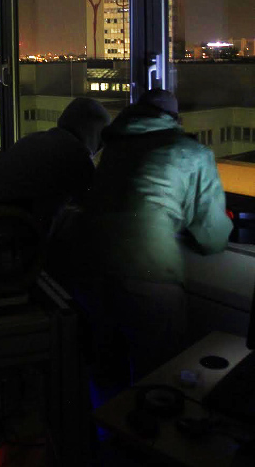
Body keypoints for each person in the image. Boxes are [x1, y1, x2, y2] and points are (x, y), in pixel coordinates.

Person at [69, 89, 233, 396]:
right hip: (146, 274)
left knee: (105, 377)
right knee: (158, 379)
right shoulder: (190, 152)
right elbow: (212, 237)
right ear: (175, 119)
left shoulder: (113, 148)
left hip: (86, 269)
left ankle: (107, 439)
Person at [0, 97, 111, 227]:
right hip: (16, 230)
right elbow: (97, 204)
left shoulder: (34, 139)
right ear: (94, 133)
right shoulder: (77, 156)